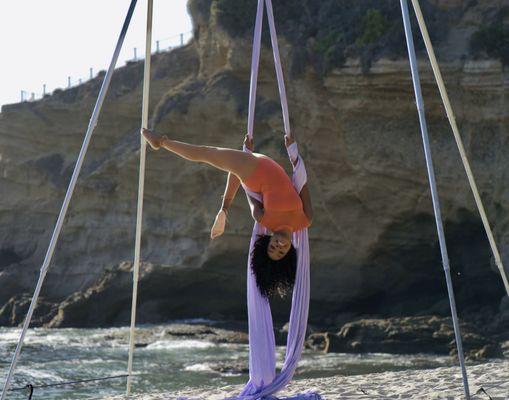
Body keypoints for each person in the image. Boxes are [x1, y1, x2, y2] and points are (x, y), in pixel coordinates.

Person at [141, 128, 312, 298]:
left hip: (254, 171)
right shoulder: (305, 220)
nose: (278, 245)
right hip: (257, 163)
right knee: (210, 155)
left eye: (272, 247)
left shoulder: (264, 219)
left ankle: (162, 142)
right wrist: (292, 151)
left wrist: (245, 155)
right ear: (289, 252)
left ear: (268, 241)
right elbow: (301, 183)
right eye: (280, 251)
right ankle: (161, 142)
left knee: (206, 153)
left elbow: (247, 189)